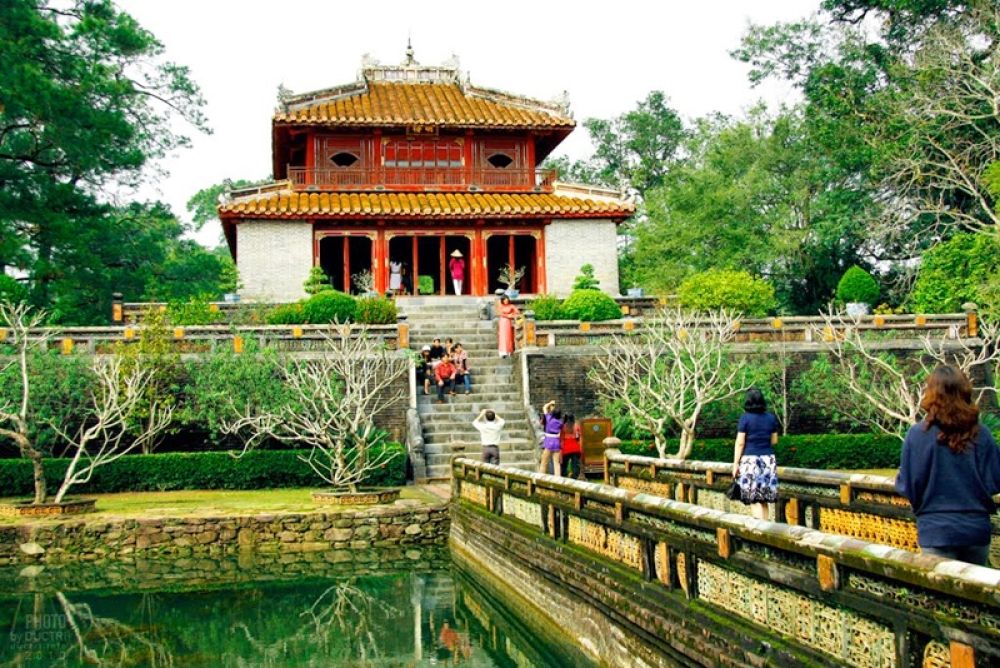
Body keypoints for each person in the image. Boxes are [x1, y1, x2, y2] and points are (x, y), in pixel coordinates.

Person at [895, 365, 1000, 566]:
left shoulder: (917, 435)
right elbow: (996, 478)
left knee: (940, 595)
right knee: (975, 593)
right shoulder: (981, 434)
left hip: (935, 530)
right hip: (975, 528)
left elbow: (908, 485)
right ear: (965, 392)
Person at [732, 388, 780, 520]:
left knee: (753, 499)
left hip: (750, 460)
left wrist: (735, 464)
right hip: (768, 460)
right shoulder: (771, 418)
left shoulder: (745, 419)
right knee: (764, 499)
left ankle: (759, 531)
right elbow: (774, 441)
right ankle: (766, 529)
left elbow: (740, 443)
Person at [539, 400, 563, 476]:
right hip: (556, 442)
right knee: (557, 463)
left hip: (549, 442)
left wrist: (550, 403)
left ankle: (541, 477)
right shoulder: (560, 422)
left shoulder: (549, 419)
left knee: (544, 462)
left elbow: (544, 407)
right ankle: (558, 480)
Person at [561, 413, 583, 479]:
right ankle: (574, 477)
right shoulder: (576, 426)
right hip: (575, 448)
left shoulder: (562, 426)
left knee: (564, 464)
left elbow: (561, 439)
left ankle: (564, 476)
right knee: (575, 465)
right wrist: (581, 448)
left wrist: (560, 449)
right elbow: (579, 437)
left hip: (565, 448)